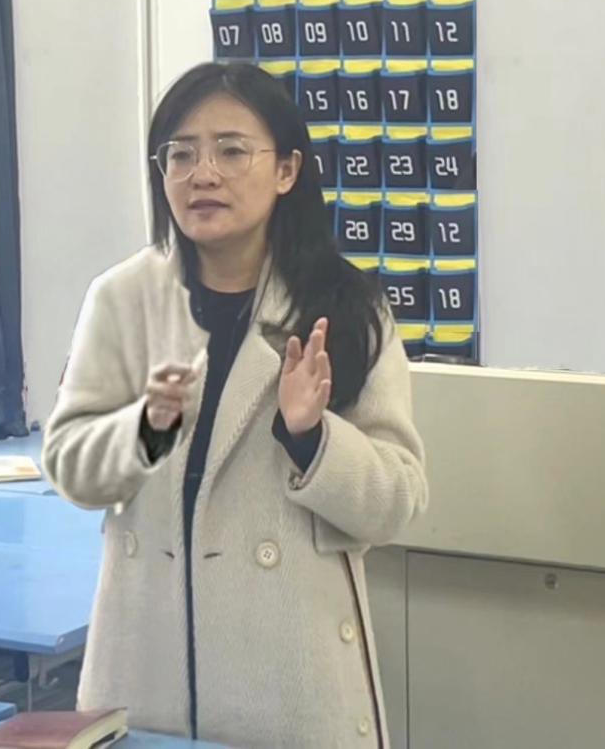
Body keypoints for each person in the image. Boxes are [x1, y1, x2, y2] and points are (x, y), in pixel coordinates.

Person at [43, 62, 428, 748]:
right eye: (180, 155)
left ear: (286, 170)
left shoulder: (345, 307)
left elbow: (397, 502)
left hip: (292, 687)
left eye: (230, 150)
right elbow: (72, 468)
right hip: (146, 678)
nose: (203, 175)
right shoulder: (123, 299)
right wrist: (147, 429)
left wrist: (312, 438)